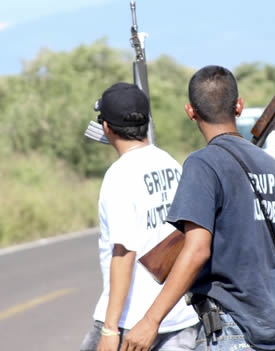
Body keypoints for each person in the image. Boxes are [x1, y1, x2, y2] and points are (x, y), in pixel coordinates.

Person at [121, 65, 275, 351]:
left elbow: (196, 250)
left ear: (190, 111)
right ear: (239, 106)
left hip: (236, 331)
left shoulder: (203, 163)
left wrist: (150, 321)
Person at [79, 82, 199, 351]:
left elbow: (124, 252)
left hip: (131, 321)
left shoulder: (119, 175)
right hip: (177, 313)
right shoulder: (169, 162)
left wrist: (110, 329)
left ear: (106, 127)